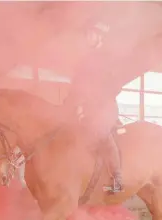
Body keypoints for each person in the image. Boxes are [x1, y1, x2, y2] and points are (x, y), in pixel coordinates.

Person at [65, 22, 124, 193]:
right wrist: (72, 102)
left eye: (90, 34)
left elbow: (115, 85)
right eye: (86, 34)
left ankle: (117, 178)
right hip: (85, 108)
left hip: (104, 108)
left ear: (100, 37)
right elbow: (77, 84)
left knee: (102, 134)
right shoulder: (84, 59)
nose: (87, 37)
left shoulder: (108, 58)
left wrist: (96, 99)